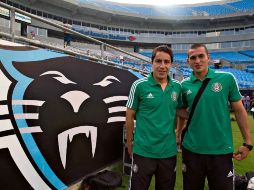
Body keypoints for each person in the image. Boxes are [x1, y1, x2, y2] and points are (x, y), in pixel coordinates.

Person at [177, 43, 252, 190]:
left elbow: (239, 110)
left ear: (208, 58)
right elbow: (180, 110)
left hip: (221, 151)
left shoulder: (227, 78)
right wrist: (179, 132)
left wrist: (247, 142)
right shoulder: (184, 85)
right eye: (193, 58)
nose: (197, 61)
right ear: (188, 61)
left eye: (201, 56)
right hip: (192, 150)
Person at [125, 45, 182, 190]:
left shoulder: (177, 87)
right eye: (158, 61)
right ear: (152, 63)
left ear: (171, 64)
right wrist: (129, 142)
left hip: (168, 152)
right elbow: (129, 116)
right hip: (144, 150)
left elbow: (180, 111)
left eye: (166, 62)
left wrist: (179, 133)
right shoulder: (139, 85)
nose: (162, 66)